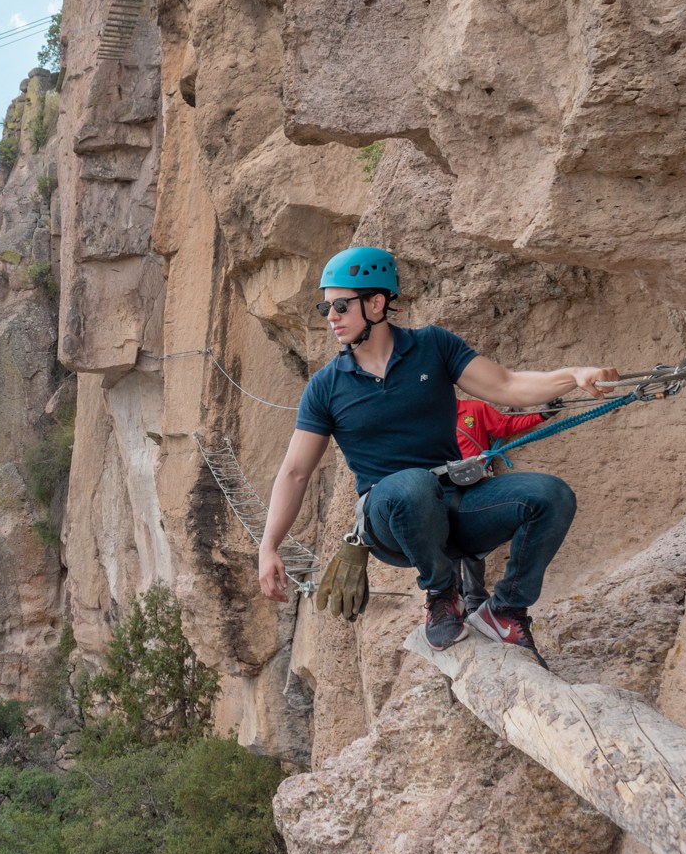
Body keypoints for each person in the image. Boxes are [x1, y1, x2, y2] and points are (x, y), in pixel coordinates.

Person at [256, 245, 617, 668]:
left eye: (340, 305)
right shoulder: (326, 386)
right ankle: (442, 594)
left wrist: (574, 376)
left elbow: (507, 386)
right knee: (412, 485)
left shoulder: (432, 346)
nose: (331, 317)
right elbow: (295, 473)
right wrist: (269, 546)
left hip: (454, 503)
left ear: (377, 303)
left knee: (551, 495)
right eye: (326, 307)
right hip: (390, 518)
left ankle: (505, 610)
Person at [451, 398, 554, 617]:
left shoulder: (474, 409)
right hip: (444, 489)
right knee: (445, 546)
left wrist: (542, 415)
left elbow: (505, 425)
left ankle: (474, 599)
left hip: (474, 485)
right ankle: (453, 600)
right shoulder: (427, 418)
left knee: (470, 544)